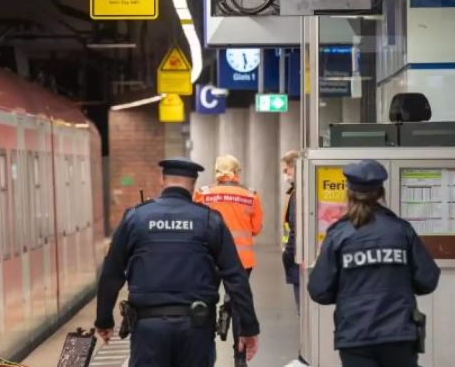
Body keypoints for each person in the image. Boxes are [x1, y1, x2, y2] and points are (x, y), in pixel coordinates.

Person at [95, 157, 260, 367]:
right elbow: (235, 277)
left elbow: (111, 273)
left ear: (162, 180)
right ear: (193, 185)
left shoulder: (136, 218)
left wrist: (104, 320)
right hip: (196, 329)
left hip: (147, 330)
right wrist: (248, 327)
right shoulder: (210, 220)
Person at [308, 160, 440, 367]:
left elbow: (319, 291)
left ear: (349, 193)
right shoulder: (401, 230)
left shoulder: (338, 235)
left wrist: (348, 293)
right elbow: (427, 280)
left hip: (355, 334)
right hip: (399, 334)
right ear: (380, 193)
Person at [193, 155, 262, 367]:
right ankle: (239, 358)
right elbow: (255, 228)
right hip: (241, 259)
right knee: (240, 303)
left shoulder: (203, 194)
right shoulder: (251, 196)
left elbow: (195, 224)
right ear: (237, 172)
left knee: (205, 301)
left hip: (208, 259)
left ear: (216, 172)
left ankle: (206, 348)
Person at [279, 150, 309, 367]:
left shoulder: (299, 194)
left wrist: (288, 257)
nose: (285, 174)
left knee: (304, 313)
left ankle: (306, 355)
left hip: (300, 262)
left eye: (286, 169)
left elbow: (294, 233)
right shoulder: (298, 192)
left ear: (295, 167)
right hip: (300, 261)